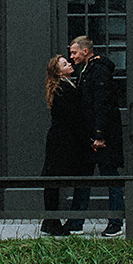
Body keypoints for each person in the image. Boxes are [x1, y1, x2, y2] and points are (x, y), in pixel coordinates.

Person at [68, 35, 127, 234]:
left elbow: (102, 104)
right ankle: (76, 222)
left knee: (110, 177)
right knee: (83, 178)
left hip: (102, 137)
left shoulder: (99, 70)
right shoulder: (87, 69)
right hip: (89, 136)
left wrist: (100, 135)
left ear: (85, 51)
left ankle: (116, 223)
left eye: (74, 52)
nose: (71, 57)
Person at [39, 55, 89, 235]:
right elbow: (73, 117)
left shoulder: (65, 85)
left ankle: (50, 221)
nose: (69, 63)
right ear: (58, 71)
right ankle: (52, 222)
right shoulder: (62, 88)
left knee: (54, 178)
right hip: (62, 140)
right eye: (64, 64)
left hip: (62, 138)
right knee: (54, 179)